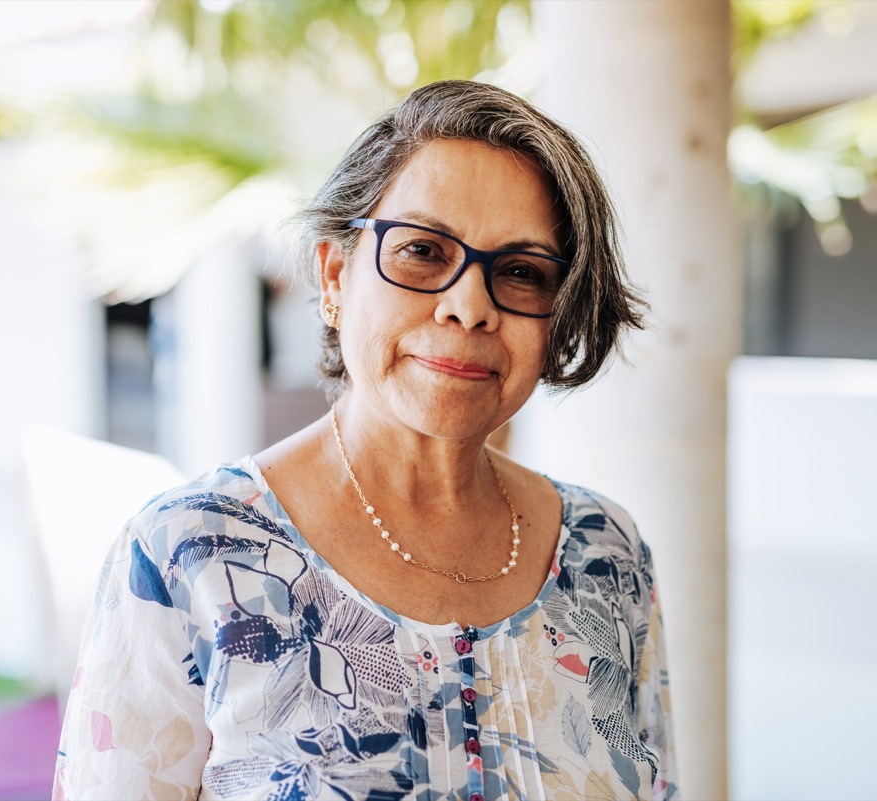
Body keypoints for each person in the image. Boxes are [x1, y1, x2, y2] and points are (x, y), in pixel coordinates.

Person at [54, 80, 679, 801]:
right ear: (333, 275)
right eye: (421, 250)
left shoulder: (609, 553)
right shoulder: (187, 553)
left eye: (521, 271)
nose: (469, 306)